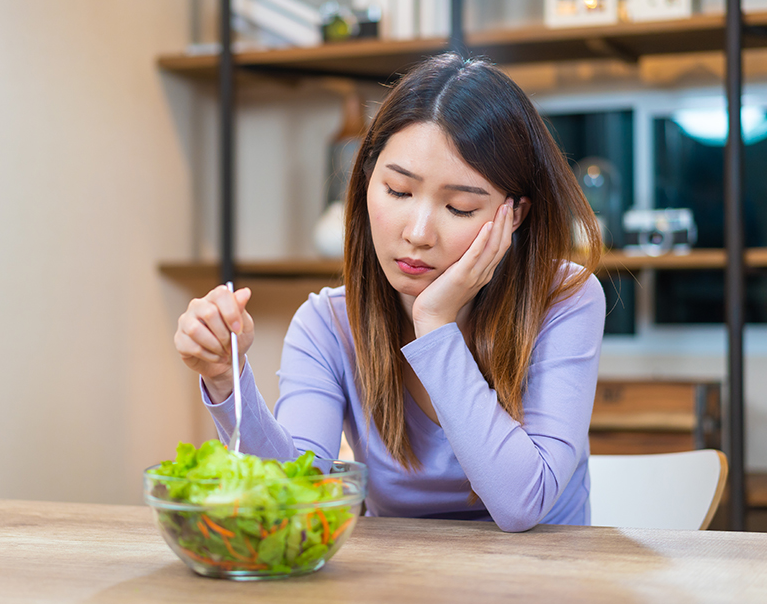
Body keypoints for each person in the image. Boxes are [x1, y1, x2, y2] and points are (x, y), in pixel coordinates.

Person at [174, 53, 605, 532]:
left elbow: (522, 504)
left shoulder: (565, 299)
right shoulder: (328, 324)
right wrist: (224, 379)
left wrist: (435, 324)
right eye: (398, 192)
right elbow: (293, 494)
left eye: (459, 207)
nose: (419, 232)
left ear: (515, 215)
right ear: (366, 183)